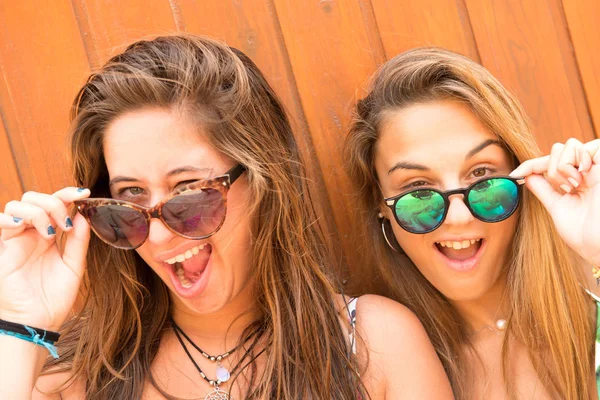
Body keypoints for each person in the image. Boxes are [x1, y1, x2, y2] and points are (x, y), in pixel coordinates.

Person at [0, 35, 453, 399]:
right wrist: (21, 323)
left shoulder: (373, 343)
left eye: (189, 194)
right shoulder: (76, 382)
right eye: (131, 198)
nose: (158, 237)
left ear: (262, 181)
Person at [345, 47, 600, 399]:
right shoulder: (392, 372)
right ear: (382, 206)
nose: (460, 216)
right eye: (418, 190)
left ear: (521, 175)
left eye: (481, 175)